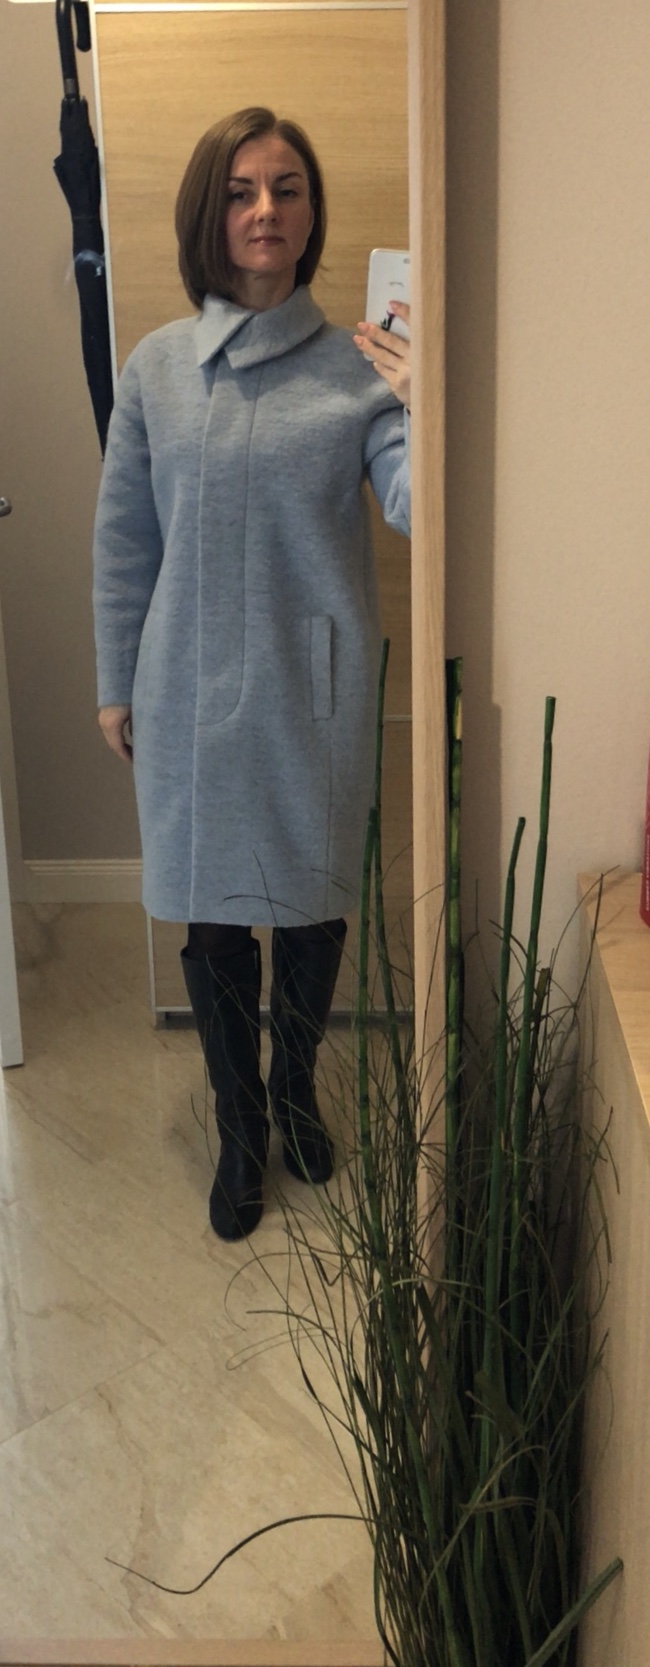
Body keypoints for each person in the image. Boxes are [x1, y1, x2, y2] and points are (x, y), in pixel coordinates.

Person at [93, 107, 411, 1243]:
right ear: (209, 214)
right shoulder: (156, 368)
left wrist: (426, 397)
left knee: (312, 910)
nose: (265, 210)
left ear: (312, 211)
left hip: (311, 692)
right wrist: (114, 681)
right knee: (214, 921)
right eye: (239, 191)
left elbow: (418, 507)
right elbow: (124, 539)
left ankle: (294, 1089)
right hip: (182, 692)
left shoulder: (360, 369)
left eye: (285, 188)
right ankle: (239, 1128)